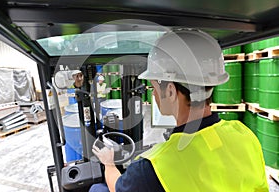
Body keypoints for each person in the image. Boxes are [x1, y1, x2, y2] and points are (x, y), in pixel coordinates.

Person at [90, 29, 269, 192]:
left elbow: (117, 188)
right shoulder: (245, 135)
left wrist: (109, 164)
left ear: (170, 91)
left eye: (154, 87)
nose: (153, 95)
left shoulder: (152, 169)